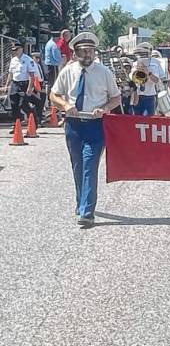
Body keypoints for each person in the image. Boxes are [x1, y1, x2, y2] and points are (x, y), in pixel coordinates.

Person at [49, 32, 121, 227]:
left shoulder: (104, 72)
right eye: (83, 51)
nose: (88, 54)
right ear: (76, 52)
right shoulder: (68, 71)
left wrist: (105, 108)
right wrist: (64, 105)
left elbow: (116, 97)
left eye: (91, 51)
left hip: (96, 125)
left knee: (89, 165)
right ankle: (81, 202)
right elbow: (53, 95)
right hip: (74, 124)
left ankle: (87, 212)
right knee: (78, 166)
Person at [2, 42, 35, 127]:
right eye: (14, 50)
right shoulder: (13, 60)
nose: (15, 51)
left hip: (24, 83)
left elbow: (32, 75)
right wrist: (7, 85)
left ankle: (34, 120)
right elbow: (10, 73)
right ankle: (17, 123)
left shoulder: (28, 59)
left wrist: (29, 87)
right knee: (14, 104)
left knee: (23, 104)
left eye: (16, 49)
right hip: (14, 84)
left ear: (21, 49)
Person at [129, 45, 161, 116]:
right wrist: (137, 71)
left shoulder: (154, 65)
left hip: (149, 96)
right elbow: (132, 78)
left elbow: (156, 80)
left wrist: (148, 72)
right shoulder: (135, 64)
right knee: (137, 119)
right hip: (138, 96)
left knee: (149, 119)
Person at [29, 52, 47, 126]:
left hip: (40, 84)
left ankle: (39, 117)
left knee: (42, 100)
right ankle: (37, 119)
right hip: (34, 85)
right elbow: (33, 77)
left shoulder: (39, 65)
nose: (37, 59)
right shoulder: (32, 65)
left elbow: (41, 76)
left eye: (38, 58)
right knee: (38, 101)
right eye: (36, 58)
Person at [44, 31, 64, 98]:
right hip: (53, 66)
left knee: (49, 82)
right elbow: (56, 56)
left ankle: (49, 98)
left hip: (48, 65)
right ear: (56, 38)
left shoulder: (48, 43)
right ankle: (51, 98)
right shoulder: (54, 45)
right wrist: (62, 60)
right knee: (53, 83)